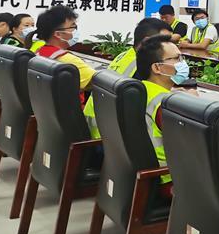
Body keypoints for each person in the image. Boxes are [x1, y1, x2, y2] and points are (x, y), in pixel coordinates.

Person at [83, 17, 173, 138]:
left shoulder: (125, 55)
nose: (171, 46)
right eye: (165, 41)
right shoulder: (142, 67)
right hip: (106, 135)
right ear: (146, 41)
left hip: (98, 126)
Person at [133, 35, 196, 194]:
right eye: (177, 58)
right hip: (170, 179)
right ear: (157, 68)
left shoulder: (140, 90)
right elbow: (196, 140)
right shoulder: (164, 104)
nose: (182, 63)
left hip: (142, 175)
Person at [33, 6, 96, 107]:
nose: (75, 31)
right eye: (72, 27)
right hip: (75, 114)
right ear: (58, 34)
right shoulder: (68, 61)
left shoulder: (39, 53)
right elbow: (102, 84)